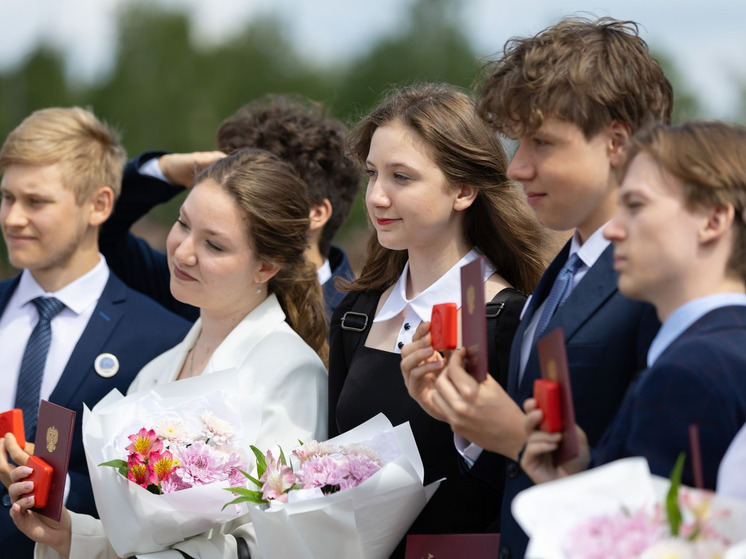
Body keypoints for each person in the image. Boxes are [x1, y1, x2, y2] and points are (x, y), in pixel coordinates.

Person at [400, 18, 671, 559]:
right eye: (517, 142)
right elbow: (523, 485)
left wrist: (517, 439)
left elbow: (667, 494)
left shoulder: (663, 285)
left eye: (541, 142)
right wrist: (471, 423)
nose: (518, 167)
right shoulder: (559, 276)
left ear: (616, 141)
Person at [7, 148, 329, 558]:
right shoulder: (160, 366)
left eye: (213, 245)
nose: (182, 252)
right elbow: (137, 535)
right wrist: (68, 533)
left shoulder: (291, 370)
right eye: (183, 224)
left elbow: (276, 542)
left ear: (265, 267)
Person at [328, 83, 550, 552]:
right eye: (372, 175)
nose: (377, 198)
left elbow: (520, 479)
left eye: (401, 178)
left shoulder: (513, 321)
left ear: (464, 190)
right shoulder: (356, 315)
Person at [0, 107, 191, 557]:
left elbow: (160, 501)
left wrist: (50, 489)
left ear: (99, 205)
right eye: (7, 197)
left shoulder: (161, 340)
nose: (12, 218)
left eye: (36, 201)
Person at [520, 121, 746, 494]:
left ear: (714, 219)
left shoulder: (690, 374)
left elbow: (657, 543)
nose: (612, 230)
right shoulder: (720, 352)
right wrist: (584, 474)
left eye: (636, 205)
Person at [100, 93, 362, 322]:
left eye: (255, 189)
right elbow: (97, 230)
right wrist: (166, 170)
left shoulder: (359, 321)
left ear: (315, 214)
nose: (183, 254)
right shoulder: (188, 280)